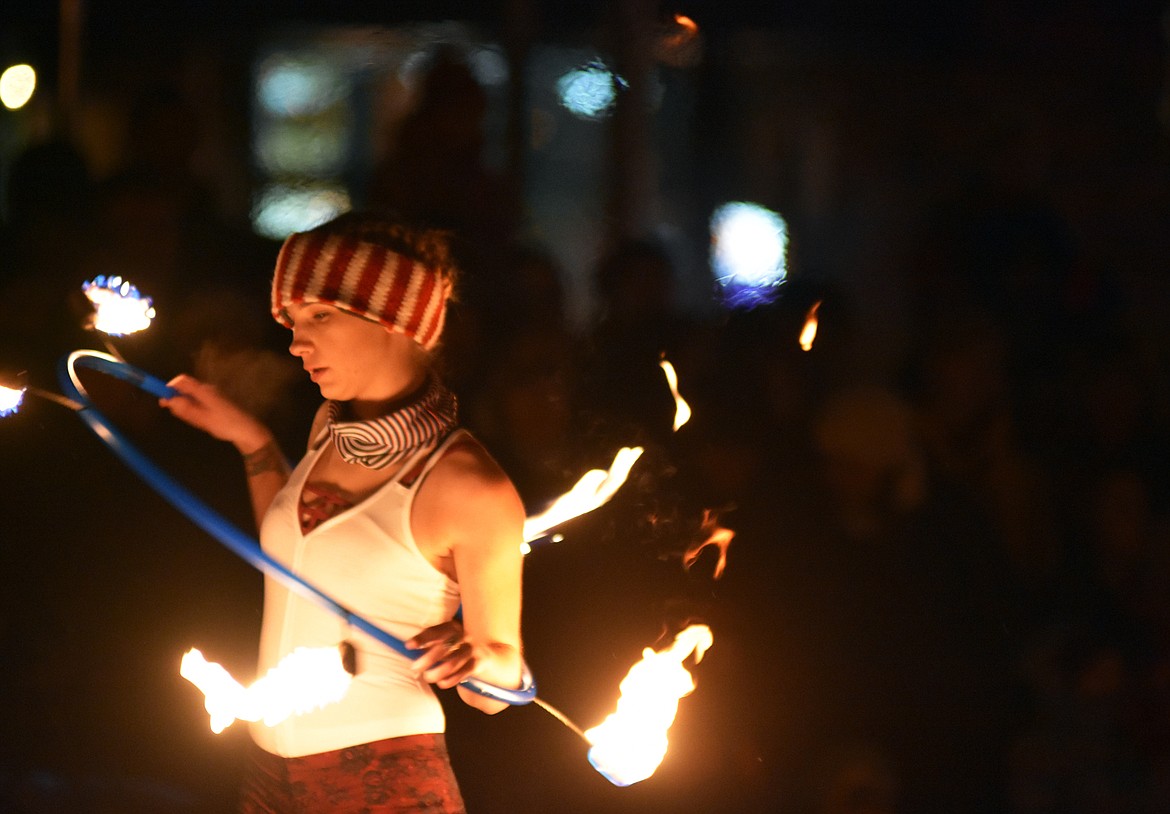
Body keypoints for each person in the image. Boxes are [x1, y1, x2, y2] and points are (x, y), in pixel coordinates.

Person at [161, 212, 527, 813]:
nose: (296, 341)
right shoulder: (329, 429)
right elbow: (296, 565)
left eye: (320, 315)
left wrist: (477, 659)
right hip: (267, 775)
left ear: (395, 321)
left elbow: (499, 681)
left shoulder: (468, 486)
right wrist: (252, 443)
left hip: (386, 781)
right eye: (294, 320)